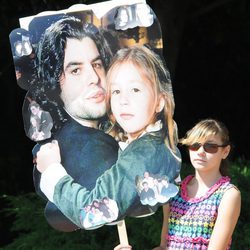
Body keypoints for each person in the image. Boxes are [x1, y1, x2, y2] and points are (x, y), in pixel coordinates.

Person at [36, 45, 181, 230]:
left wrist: (51, 170)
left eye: (135, 90)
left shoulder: (145, 154)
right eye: (116, 91)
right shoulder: (147, 140)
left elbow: (90, 214)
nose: (123, 101)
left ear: (160, 101)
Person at [31, 15, 119, 232]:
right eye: (75, 70)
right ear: (54, 84)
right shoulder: (90, 147)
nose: (94, 78)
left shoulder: (111, 131)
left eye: (97, 64)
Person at [153, 119, 241, 250]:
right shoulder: (173, 191)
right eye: (195, 145)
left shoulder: (228, 195)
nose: (200, 152)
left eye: (210, 146)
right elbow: (163, 247)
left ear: (225, 152)